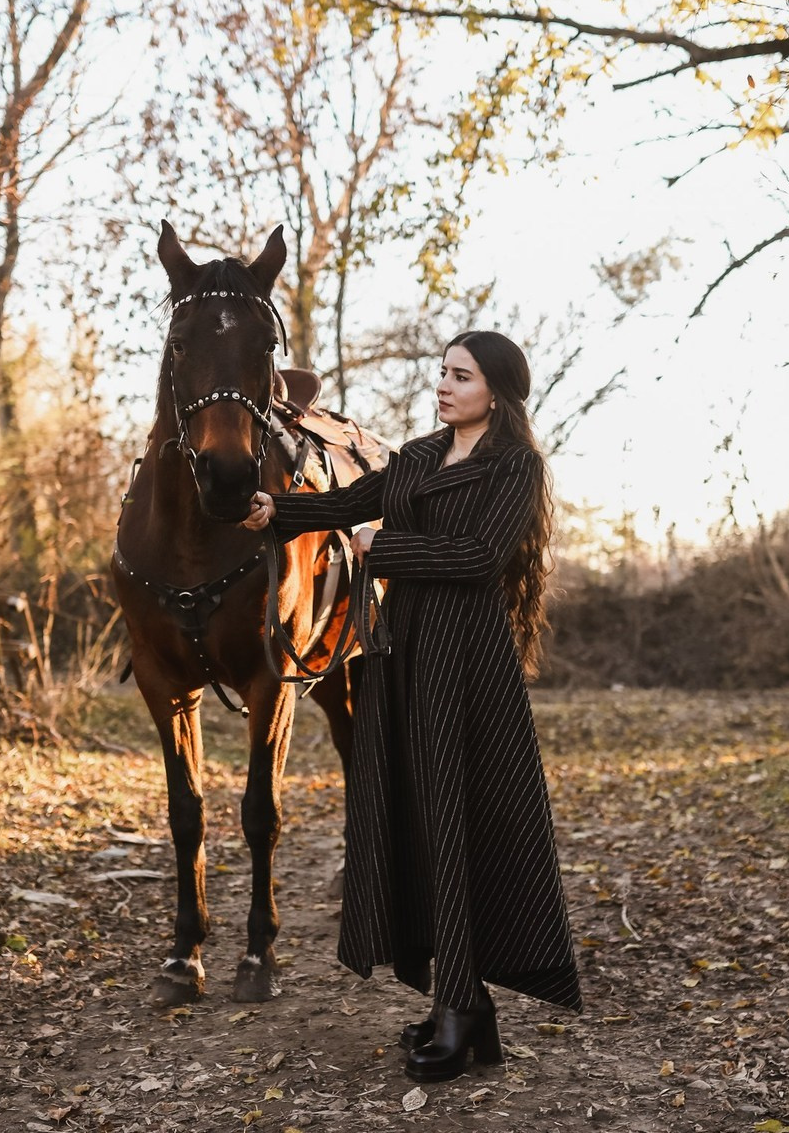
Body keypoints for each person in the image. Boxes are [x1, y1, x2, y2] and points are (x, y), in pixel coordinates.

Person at [242, 330, 582, 1082]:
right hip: (403, 657)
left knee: (460, 817)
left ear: (497, 389)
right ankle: (461, 1009)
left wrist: (382, 548)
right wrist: (276, 509)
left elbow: (478, 559)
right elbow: (344, 504)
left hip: (468, 662)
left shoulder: (515, 467)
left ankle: (465, 1009)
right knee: (425, 819)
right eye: (442, 373)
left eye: (460, 376)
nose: (444, 385)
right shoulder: (421, 457)